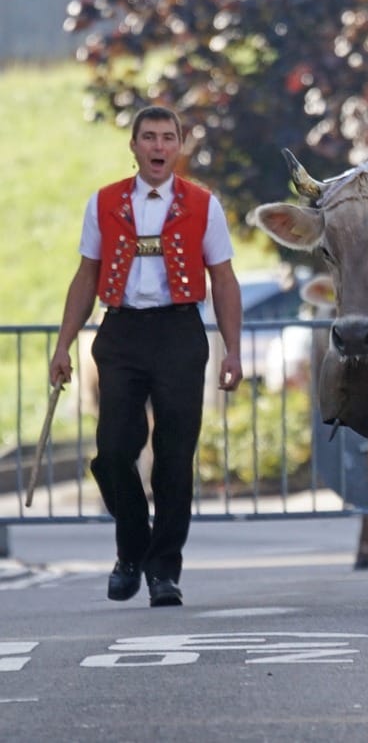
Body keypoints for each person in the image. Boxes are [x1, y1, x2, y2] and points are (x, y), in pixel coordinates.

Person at [49, 105, 243, 607]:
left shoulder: (204, 205)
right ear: (134, 147)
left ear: (179, 147)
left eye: (167, 138)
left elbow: (222, 279)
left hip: (180, 333)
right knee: (113, 451)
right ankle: (132, 547)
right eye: (149, 138)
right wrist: (63, 345)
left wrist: (233, 350)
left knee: (174, 459)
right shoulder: (105, 202)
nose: (159, 147)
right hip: (122, 332)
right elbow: (86, 275)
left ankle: (162, 570)